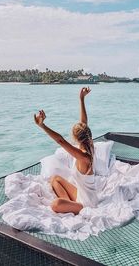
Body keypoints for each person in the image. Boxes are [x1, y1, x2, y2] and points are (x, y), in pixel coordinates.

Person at [34, 87, 97, 215]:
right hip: (82, 195)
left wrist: (42, 126)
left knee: (55, 204)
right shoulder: (88, 146)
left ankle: (70, 207)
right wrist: (81, 99)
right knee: (55, 179)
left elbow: (61, 141)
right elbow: (84, 122)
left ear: (77, 139)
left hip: (87, 204)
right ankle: (69, 205)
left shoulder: (83, 157)